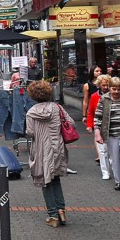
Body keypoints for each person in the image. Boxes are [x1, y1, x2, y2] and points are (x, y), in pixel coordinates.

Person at [26, 80, 74, 227]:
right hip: (57, 147)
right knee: (55, 179)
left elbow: (30, 133)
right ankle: (61, 211)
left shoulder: (31, 112)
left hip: (41, 149)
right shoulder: (56, 107)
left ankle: (52, 215)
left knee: (45, 181)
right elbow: (71, 123)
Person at [85, 74, 112, 180]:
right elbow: (90, 112)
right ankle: (105, 171)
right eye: (104, 85)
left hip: (112, 124)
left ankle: (113, 166)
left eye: (107, 85)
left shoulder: (114, 94)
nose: (106, 87)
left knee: (112, 150)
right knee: (102, 150)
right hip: (99, 125)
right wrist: (89, 125)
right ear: (99, 85)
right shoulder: (94, 96)